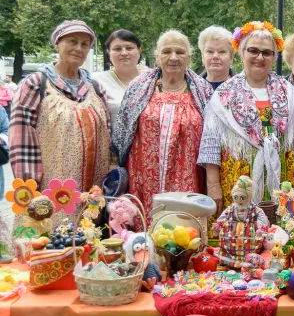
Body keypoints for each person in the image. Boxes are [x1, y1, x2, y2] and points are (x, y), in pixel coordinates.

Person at [198, 20, 294, 223]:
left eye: (266, 52)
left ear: (274, 57)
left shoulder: (289, 92)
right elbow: (210, 144)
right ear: (241, 53)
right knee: (240, 234)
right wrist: (213, 187)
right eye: (253, 51)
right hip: (237, 184)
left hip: (282, 184)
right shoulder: (223, 95)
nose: (260, 57)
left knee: (279, 237)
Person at [10, 20, 112, 227]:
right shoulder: (36, 83)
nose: (79, 48)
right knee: (50, 241)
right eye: (72, 41)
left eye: (85, 44)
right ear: (57, 44)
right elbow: (21, 137)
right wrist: (30, 185)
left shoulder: (95, 88)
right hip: (49, 191)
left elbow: (108, 133)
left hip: (92, 193)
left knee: (89, 241)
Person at [112, 30, 212, 224]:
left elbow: (212, 138)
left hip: (187, 176)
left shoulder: (203, 91)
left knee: (183, 231)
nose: (173, 57)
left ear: (189, 58)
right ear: (157, 56)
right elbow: (121, 132)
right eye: (166, 52)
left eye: (180, 52)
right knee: (144, 232)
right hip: (143, 176)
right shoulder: (138, 87)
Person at [92, 29, 144, 123]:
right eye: (117, 49)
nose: (124, 53)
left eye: (129, 48)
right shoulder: (96, 81)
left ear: (139, 50)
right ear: (108, 53)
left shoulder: (153, 80)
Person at [198, 25, 235, 91]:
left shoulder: (246, 86)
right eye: (210, 51)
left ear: (231, 57)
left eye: (222, 52)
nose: (215, 56)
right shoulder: (191, 87)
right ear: (202, 57)